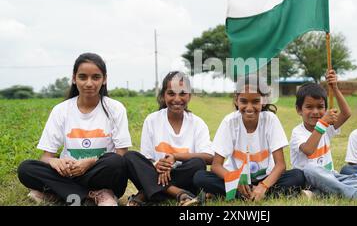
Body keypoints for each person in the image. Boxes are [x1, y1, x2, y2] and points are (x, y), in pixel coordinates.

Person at [17, 53, 131, 206]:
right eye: (83, 77)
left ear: (104, 79)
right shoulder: (61, 110)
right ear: (74, 78)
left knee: (116, 162)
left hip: (99, 172)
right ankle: (92, 196)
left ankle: (59, 193)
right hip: (69, 174)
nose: (89, 83)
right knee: (26, 169)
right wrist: (54, 162)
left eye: (96, 77)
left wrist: (91, 162)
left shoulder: (115, 108)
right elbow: (46, 156)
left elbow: (122, 154)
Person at [193, 74, 305, 202]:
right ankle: (249, 194)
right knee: (200, 177)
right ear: (236, 100)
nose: (249, 108)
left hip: (266, 179)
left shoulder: (270, 120)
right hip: (237, 179)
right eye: (244, 101)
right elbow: (216, 166)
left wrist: (263, 186)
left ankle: (245, 194)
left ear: (264, 101)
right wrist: (234, 181)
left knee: (297, 176)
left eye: (256, 101)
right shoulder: (229, 122)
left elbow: (280, 165)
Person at [290, 70, 357, 204]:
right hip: (309, 179)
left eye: (320, 107)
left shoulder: (326, 126)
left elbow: (346, 113)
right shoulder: (298, 132)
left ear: (325, 108)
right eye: (309, 107)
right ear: (299, 110)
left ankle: (316, 195)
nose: (315, 112)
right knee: (310, 168)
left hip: (332, 176)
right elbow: (308, 150)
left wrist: (335, 88)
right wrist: (322, 124)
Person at [124, 71, 213, 206]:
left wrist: (175, 157)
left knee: (198, 163)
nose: (177, 99)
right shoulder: (152, 120)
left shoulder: (197, 123)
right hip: (156, 172)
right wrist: (158, 166)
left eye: (182, 93)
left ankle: (147, 193)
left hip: (183, 175)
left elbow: (209, 157)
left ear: (189, 96)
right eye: (171, 93)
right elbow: (147, 159)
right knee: (130, 157)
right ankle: (178, 193)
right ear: (163, 95)